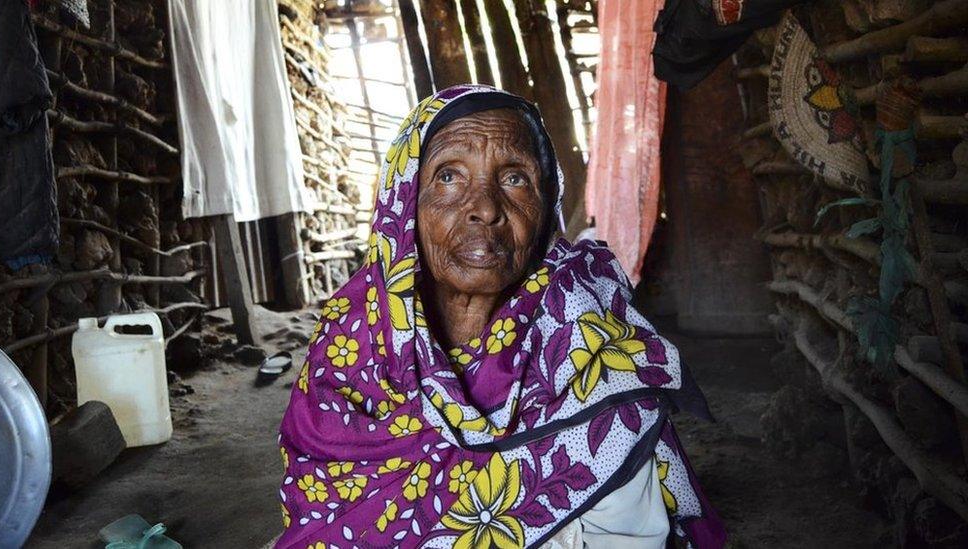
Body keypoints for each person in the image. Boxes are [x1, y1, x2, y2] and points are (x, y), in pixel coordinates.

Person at [276, 84, 725, 549]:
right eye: (449, 176)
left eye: (514, 179)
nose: (485, 209)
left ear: (545, 208)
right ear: (404, 202)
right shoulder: (350, 349)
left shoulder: (591, 358)